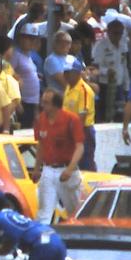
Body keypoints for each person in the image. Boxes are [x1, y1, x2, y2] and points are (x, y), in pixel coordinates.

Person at [31, 90, 84, 223]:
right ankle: (43, 234)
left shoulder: (72, 119)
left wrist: (69, 169)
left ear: (55, 105)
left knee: (75, 212)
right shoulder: (40, 119)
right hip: (48, 170)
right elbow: (41, 145)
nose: (42, 105)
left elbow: (80, 147)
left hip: (67, 170)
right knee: (44, 213)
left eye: (46, 103)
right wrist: (37, 168)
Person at [60, 56, 96, 172]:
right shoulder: (68, 88)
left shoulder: (83, 90)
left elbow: (82, 116)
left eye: (68, 72)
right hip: (70, 130)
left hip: (83, 131)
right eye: (65, 72)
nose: (65, 75)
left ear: (77, 73)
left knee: (86, 163)